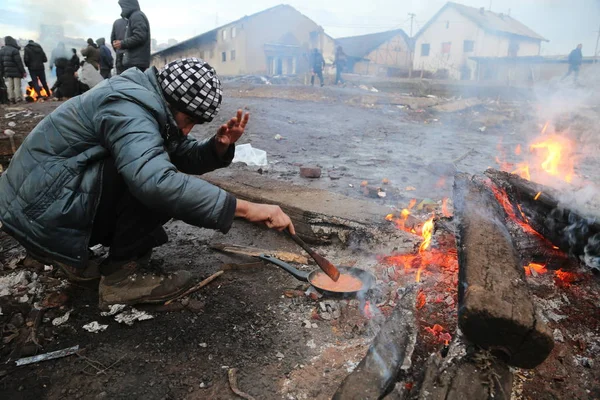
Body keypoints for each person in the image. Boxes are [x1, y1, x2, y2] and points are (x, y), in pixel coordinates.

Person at [0, 58, 294, 310]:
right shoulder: (129, 108)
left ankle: (67, 255)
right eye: (188, 119)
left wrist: (216, 149)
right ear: (171, 101)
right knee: (154, 183)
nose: (187, 129)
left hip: (40, 204)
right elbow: (155, 182)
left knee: (153, 166)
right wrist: (244, 208)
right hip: (39, 209)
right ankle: (120, 279)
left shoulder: (145, 99)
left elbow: (175, 152)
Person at [113, 0, 151, 72]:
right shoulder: (135, 16)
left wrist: (122, 43)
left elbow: (140, 36)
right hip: (135, 61)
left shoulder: (137, 16)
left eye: (123, 7)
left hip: (136, 62)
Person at [0, 36, 26, 104]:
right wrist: (23, 71)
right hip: (16, 71)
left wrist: (2, 72)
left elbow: (1, 63)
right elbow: (19, 62)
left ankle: (11, 99)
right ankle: (18, 99)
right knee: (17, 85)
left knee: (10, 86)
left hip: (7, 72)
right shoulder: (14, 50)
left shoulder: (1, 50)